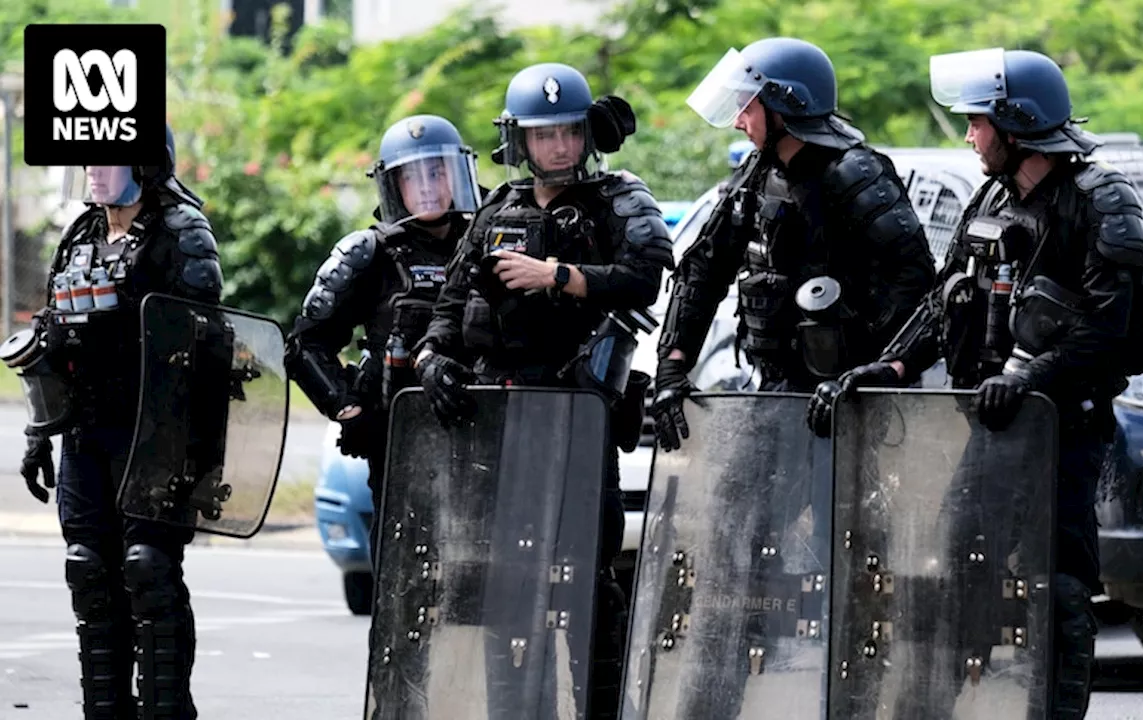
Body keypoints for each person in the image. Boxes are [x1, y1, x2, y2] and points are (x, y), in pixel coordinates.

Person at [807, 47, 1143, 719]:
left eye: (977, 123)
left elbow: (1108, 326)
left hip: (1064, 429)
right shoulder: (994, 194)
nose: (970, 137)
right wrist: (892, 363)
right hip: (989, 423)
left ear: (1016, 123)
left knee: (1058, 586)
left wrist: (1033, 375)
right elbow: (946, 298)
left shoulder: (1098, 201)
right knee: (954, 573)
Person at [412, 62, 673, 718]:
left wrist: (557, 275)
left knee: (588, 584)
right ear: (519, 141)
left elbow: (645, 278)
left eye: (568, 133)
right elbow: (451, 300)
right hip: (498, 420)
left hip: (576, 418)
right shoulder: (498, 210)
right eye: (543, 135)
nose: (557, 147)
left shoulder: (620, 197)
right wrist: (433, 359)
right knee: (507, 588)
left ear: (587, 135)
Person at [7, 127, 222, 719]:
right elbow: (52, 333)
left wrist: (198, 451)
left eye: (111, 159)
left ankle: (166, 711)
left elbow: (207, 346)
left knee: (148, 569)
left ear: (148, 165)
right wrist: (38, 431)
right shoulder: (81, 234)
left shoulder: (182, 233)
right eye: (91, 160)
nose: (96, 173)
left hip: (154, 435)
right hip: (84, 432)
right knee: (88, 570)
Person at [650, 37, 936, 452]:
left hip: (850, 401)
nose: (737, 120)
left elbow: (916, 280)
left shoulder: (857, 173)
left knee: (846, 517)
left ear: (784, 106)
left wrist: (871, 371)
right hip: (776, 390)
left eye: (747, 105)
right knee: (743, 512)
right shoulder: (757, 172)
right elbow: (704, 267)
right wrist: (672, 365)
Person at [284, 114, 483, 552]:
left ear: (456, 174)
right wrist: (347, 407)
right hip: (398, 442)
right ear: (395, 186)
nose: (427, 185)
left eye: (436, 171)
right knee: (404, 566)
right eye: (413, 176)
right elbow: (305, 344)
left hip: (485, 434)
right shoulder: (370, 253)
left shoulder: (488, 244)